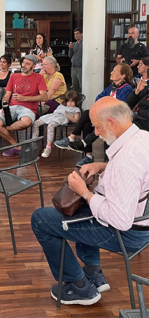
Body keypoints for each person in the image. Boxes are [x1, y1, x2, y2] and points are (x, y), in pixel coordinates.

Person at [31, 97, 149, 307]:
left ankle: (79, 287)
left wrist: (84, 192)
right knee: (84, 208)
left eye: (96, 126)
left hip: (126, 234)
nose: (95, 132)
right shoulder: (142, 138)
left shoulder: (126, 161)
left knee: (41, 220)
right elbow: (137, 178)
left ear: (112, 122)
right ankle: (93, 273)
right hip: (141, 224)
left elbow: (119, 220)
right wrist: (102, 166)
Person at [55, 64, 133, 166]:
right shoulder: (112, 86)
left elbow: (119, 105)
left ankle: (72, 138)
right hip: (105, 114)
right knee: (87, 124)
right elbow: (98, 98)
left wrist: (105, 104)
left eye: (114, 71)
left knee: (87, 113)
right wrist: (105, 103)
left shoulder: (127, 88)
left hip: (115, 117)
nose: (111, 72)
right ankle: (88, 155)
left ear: (123, 75)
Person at [0, 55, 48, 156]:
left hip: (28, 109)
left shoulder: (39, 77)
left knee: (26, 122)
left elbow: (44, 97)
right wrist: (4, 107)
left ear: (33, 67)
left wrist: (24, 98)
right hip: (12, 107)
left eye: (27, 64)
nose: (24, 65)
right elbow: (7, 95)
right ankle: (16, 146)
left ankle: (0, 130)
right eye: (23, 63)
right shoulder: (14, 76)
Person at [31, 90, 80, 158]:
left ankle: (48, 148)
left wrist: (67, 115)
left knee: (50, 125)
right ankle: (33, 143)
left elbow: (76, 120)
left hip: (62, 118)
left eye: (72, 101)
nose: (69, 103)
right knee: (36, 123)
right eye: (68, 101)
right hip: (53, 116)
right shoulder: (62, 106)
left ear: (76, 101)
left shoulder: (76, 109)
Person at [69, 28, 83, 94]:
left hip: (80, 67)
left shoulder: (84, 44)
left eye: (77, 33)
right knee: (75, 86)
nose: (76, 35)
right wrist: (70, 49)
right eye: (75, 34)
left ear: (82, 34)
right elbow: (70, 55)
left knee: (81, 85)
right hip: (73, 67)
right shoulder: (74, 44)